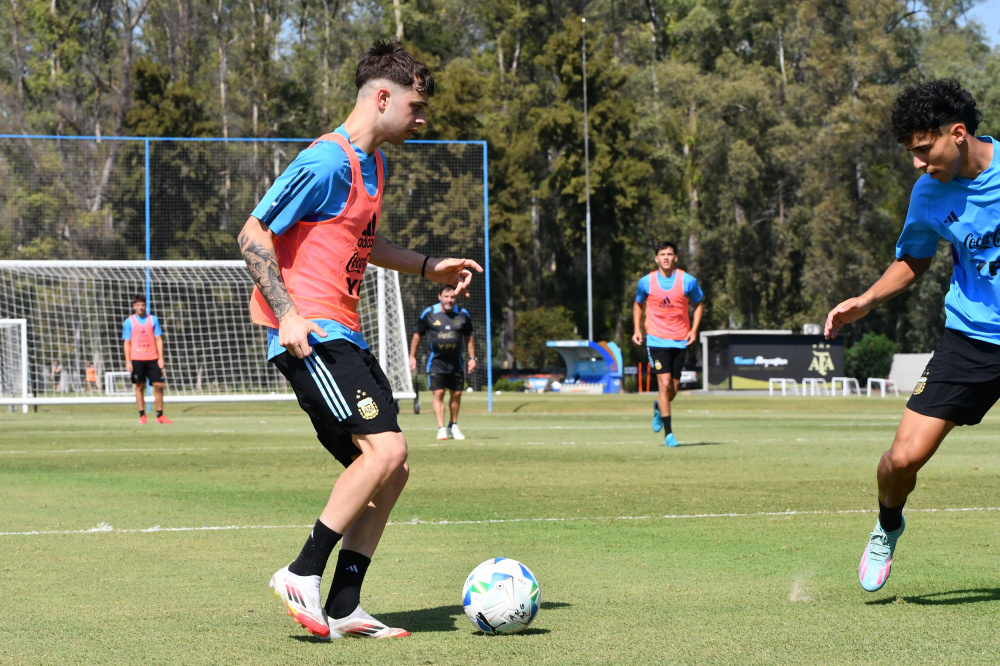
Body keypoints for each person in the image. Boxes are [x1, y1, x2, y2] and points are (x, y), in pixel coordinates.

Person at [238, 38, 482, 640]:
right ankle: (301, 572)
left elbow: (364, 246)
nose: (421, 120)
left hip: (344, 332)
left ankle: (345, 605)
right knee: (386, 452)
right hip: (311, 333)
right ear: (382, 98)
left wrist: (429, 267)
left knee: (391, 470)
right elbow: (252, 235)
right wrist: (288, 315)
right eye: (416, 107)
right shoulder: (326, 160)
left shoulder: (373, 166)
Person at [825, 79, 999, 592]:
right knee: (900, 461)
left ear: (958, 133)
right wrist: (867, 300)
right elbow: (914, 259)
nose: (919, 164)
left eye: (924, 149)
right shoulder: (927, 193)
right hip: (972, 338)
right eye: (912, 153)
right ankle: (887, 524)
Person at [631, 241, 704, 447]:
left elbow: (699, 304)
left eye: (670, 254)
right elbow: (638, 304)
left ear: (676, 258)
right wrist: (637, 329)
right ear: (656, 259)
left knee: (673, 388)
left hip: (680, 340)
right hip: (656, 339)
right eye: (662, 254)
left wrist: (693, 330)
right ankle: (669, 434)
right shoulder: (646, 282)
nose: (666, 258)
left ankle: (658, 406)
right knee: (663, 385)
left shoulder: (688, 281)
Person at [408, 285, 476, 440]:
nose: (449, 300)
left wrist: (472, 358)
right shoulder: (429, 313)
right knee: (438, 393)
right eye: (446, 296)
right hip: (436, 362)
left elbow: (469, 337)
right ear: (439, 296)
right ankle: (441, 428)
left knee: (457, 393)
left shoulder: (463, 314)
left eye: (452, 297)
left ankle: (453, 425)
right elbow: (417, 335)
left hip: (456, 362)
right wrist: (412, 356)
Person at [122, 294, 172, 425]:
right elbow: (127, 342)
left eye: (143, 305)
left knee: (158, 385)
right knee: (139, 386)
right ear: (134, 306)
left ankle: (160, 415)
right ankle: (142, 415)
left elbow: (158, 339)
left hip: (152, 358)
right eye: (138, 305)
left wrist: (161, 357)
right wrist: (127, 361)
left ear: (145, 306)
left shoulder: (153, 320)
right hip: (137, 358)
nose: (141, 307)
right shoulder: (129, 322)